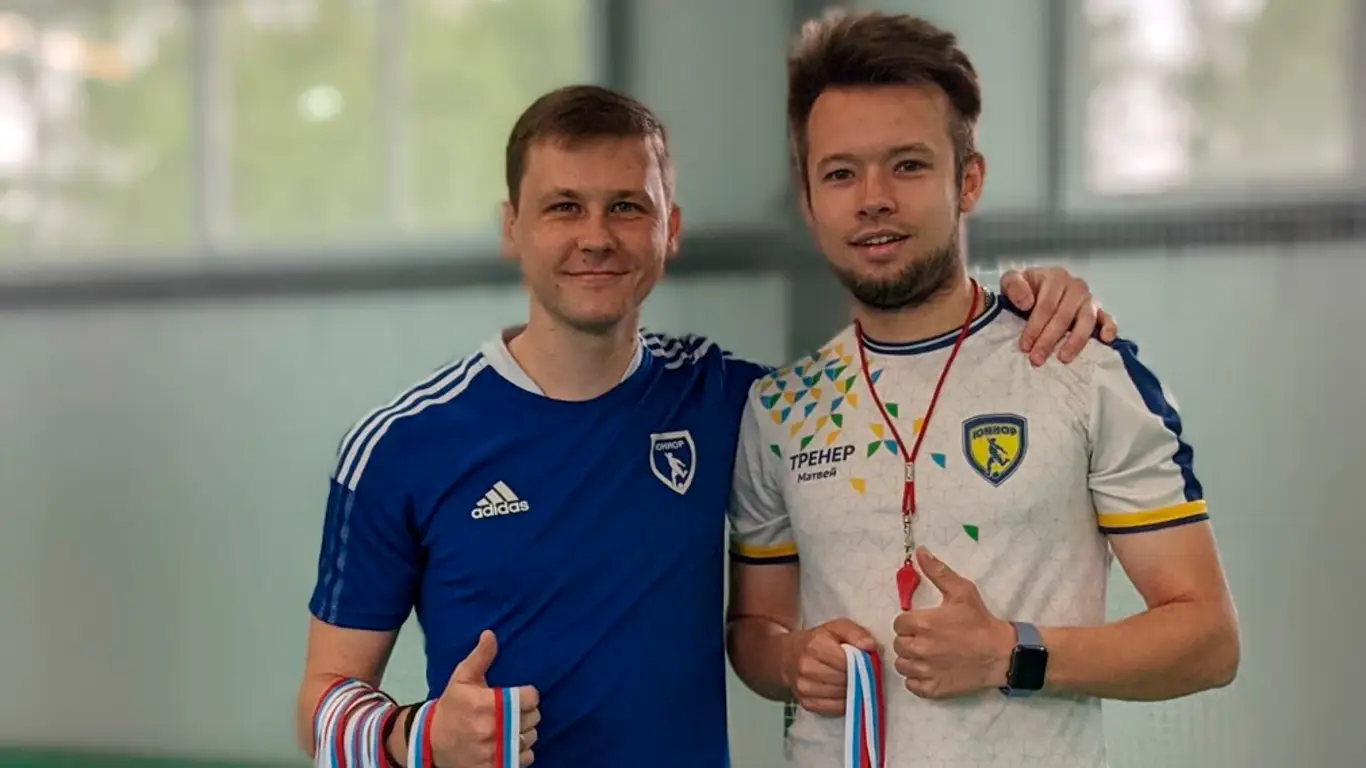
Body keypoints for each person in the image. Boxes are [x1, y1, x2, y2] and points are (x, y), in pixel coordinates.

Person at [293, 84, 1117, 768]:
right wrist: (417, 735)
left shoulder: (731, 400)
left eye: (627, 207)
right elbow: (321, 704)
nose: (595, 237)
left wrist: (1022, 298)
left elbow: (894, 363)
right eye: (563, 208)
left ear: (671, 229)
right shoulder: (402, 446)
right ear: (513, 227)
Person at [724, 10, 1241, 768]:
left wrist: (1010, 653)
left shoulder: (1077, 363)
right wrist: (791, 659)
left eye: (907, 165)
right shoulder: (779, 409)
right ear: (808, 200)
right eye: (840, 173)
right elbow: (754, 632)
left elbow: (1208, 641)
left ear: (968, 180)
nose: (873, 198)